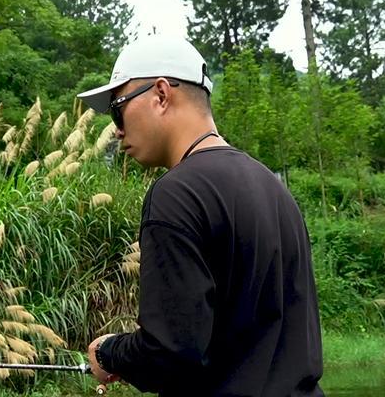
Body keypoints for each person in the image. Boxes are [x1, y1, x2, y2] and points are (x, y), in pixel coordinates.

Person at [76, 35, 324, 396]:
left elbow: (169, 354)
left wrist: (109, 352)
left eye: (119, 108)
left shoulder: (176, 194)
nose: (117, 128)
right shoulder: (273, 188)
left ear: (161, 95)